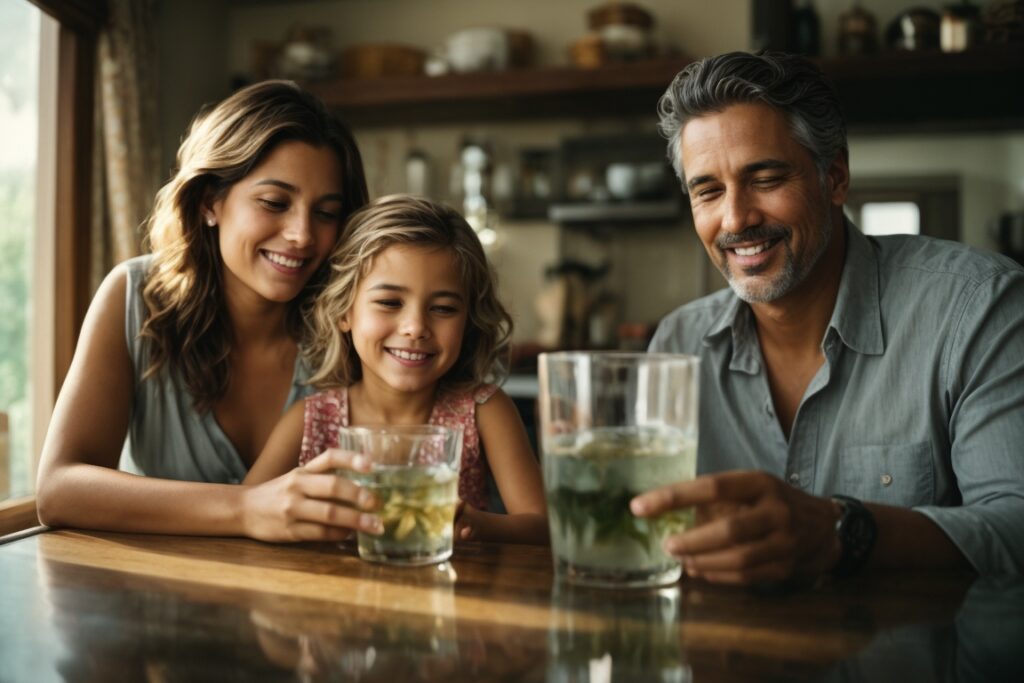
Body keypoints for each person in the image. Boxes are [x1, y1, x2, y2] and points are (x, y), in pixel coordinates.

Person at [630, 51, 1024, 584]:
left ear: (834, 177)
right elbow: (644, 531)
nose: (736, 218)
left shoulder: (977, 306)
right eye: (708, 191)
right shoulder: (679, 341)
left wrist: (842, 532)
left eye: (765, 178)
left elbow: (1015, 530)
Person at [36, 80, 382, 542]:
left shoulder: (362, 322)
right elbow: (58, 491)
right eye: (275, 203)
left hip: (309, 603)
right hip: (160, 602)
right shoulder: (134, 296)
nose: (302, 234)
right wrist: (245, 510)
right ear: (209, 203)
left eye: (326, 213)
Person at [244, 194, 548, 544]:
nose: (415, 326)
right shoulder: (310, 419)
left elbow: (541, 527)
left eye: (444, 308)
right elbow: (249, 508)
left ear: (468, 320)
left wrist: (478, 525)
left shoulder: (484, 411)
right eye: (389, 303)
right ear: (344, 311)